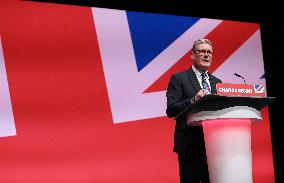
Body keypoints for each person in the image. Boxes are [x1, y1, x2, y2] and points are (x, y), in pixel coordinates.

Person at [166, 39, 222, 183]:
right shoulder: (179, 78)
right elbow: (171, 109)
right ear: (192, 55)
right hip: (189, 143)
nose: (206, 55)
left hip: (213, 144)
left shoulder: (217, 82)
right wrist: (193, 100)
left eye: (209, 52)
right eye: (202, 51)